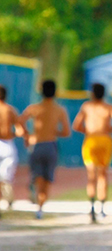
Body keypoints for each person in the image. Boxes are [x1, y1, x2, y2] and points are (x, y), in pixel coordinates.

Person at [72, 83, 112, 222]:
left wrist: (88, 131)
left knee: (91, 175)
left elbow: (76, 125)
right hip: (105, 140)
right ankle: (102, 208)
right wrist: (109, 130)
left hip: (91, 140)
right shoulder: (109, 107)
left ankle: (92, 207)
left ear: (92, 93)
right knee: (102, 174)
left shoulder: (87, 107)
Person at [21, 80, 71, 219]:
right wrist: (55, 132)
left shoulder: (34, 108)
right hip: (51, 146)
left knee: (38, 178)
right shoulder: (60, 109)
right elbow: (66, 132)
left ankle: (34, 190)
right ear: (55, 92)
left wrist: (27, 135)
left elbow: (20, 121)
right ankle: (40, 207)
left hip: (36, 144)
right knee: (47, 180)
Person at [0, 85, 26, 214]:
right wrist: (14, 134)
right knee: (6, 176)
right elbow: (20, 130)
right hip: (7, 143)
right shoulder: (10, 110)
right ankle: (7, 198)